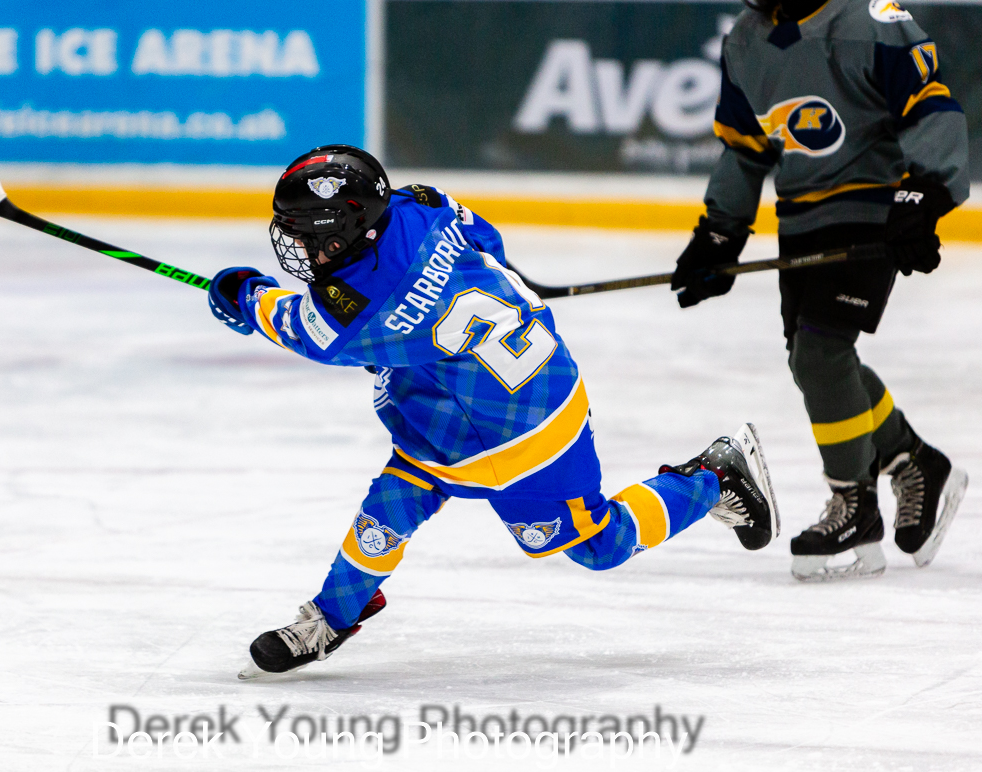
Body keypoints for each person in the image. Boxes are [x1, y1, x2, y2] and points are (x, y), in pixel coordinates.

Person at [209, 146, 780, 677]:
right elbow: (484, 239)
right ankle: (331, 620)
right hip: (441, 425)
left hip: (529, 434)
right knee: (384, 516)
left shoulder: (356, 310)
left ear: (346, 233)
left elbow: (294, 327)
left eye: (309, 236)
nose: (298, 248)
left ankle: (713, 477)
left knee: (599, 546)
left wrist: (239, 293)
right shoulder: (418, 202)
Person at [671, 0, 969, 582]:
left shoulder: (867, 20)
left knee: (821, 353)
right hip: (802, 219)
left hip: (869, 207)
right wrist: (717, 234)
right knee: (817, 362)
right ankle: (917, 460)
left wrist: (923, 192)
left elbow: (930, 104)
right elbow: (746, 147)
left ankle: (852, 504)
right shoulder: (746, 41)